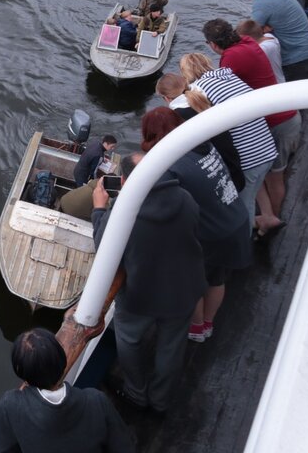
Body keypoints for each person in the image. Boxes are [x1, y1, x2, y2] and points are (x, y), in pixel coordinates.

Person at [92, 152, 205, 415]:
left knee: (129, 340)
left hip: (141, 296)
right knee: (171, 348)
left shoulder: (124, 214)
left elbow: (103, 247)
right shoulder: (185, 199)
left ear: (124, 180)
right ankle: (161, 400)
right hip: (184, 289)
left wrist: (99, 208)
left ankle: (136, 392)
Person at [139, 108, 251, 343]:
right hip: (234, 218)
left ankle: (196, 328)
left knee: (192, 284)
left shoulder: (169, 163)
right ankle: (208, 323)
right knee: (217, 278)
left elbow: (163, 205)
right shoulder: (203, 144)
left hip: (211, 234)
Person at [179, 53, 280, 236]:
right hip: (266, 147)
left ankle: (245, 243)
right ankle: (268, 217)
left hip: (249, 157)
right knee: (255, 185)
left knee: (244, 203)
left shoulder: (199, 90)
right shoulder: (229, 76)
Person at [0, 328, 133, 453]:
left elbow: (0, 447)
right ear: (63, 362)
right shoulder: (96, 401)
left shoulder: (10, 406)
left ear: (21, 372)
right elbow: (123, 446)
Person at [156, 73, 246, 193]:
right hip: (233, 165)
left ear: (166, 98)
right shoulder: (203, 100)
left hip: (217, 177)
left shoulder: (177, 116)